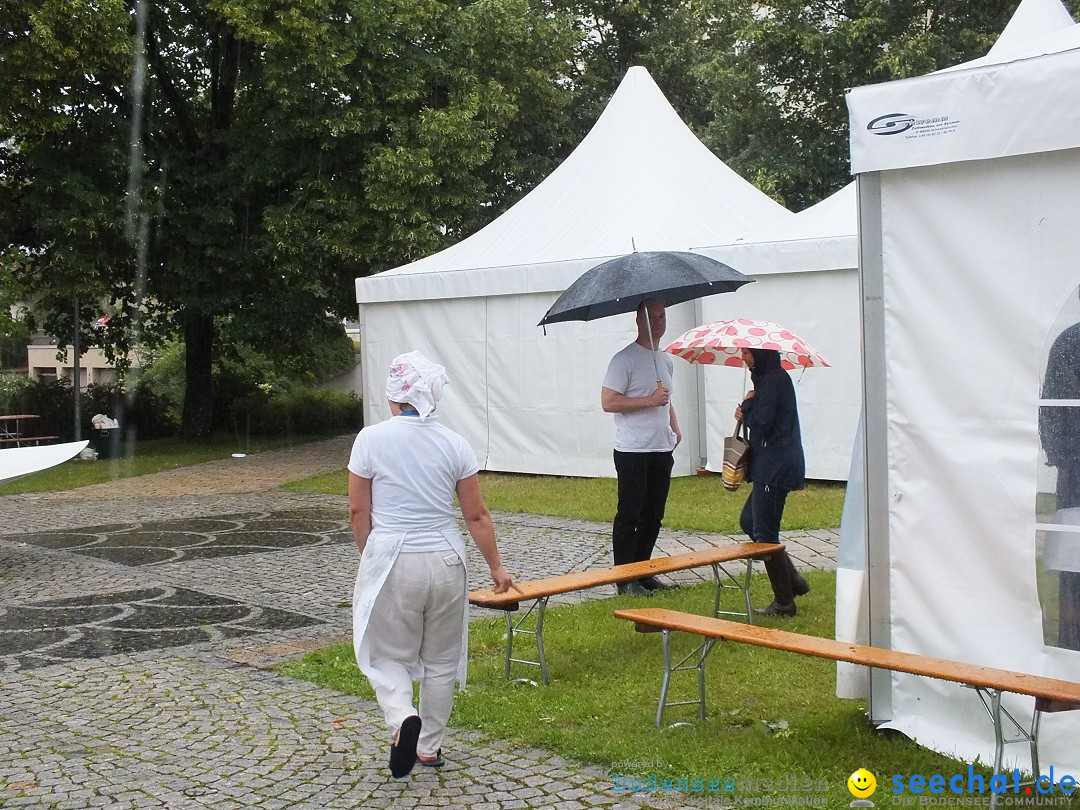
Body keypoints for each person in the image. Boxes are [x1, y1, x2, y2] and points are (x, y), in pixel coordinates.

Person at [349, 351, 520, 779]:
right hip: (447, 559)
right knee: (442, 662)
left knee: (385, 652)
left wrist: (370, 557)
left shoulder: (370, 440)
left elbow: (358, 511)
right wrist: (497, 569)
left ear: (394, 396)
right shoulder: (454, 443)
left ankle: (402, 715)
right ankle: (428, 746)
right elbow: (477, 516)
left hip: (393, 558)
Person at [601, 298, 682, 596]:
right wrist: (649, 400)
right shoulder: (624, 360)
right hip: (633, 450)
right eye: (653, 317)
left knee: (654, 514)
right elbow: (608, 402)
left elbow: (667, 398)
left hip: (661, 447)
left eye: (663, 316)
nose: (659, 322)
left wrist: (674, 425)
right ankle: (624, 579)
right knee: (630, 514)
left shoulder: (665, 360)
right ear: (639, 321)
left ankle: (642, 570)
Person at [735, 347, 811, 617]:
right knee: (749, 522)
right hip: (772, 464)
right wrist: (749, 406)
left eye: (746, 352)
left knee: (766, 535)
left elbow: (763, 423)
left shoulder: (773, 381)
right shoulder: (769, 380)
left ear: (759, 353)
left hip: (775, 466)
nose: (742, 356)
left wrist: (747, 405)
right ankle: (794, 582)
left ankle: (784, 602)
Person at [1039, 292, 1080, 650]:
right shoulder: (1070, 343)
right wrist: (1066, 461)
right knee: (1075, 572)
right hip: (1077, 483)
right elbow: (1050, 413)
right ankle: (1072, 651)